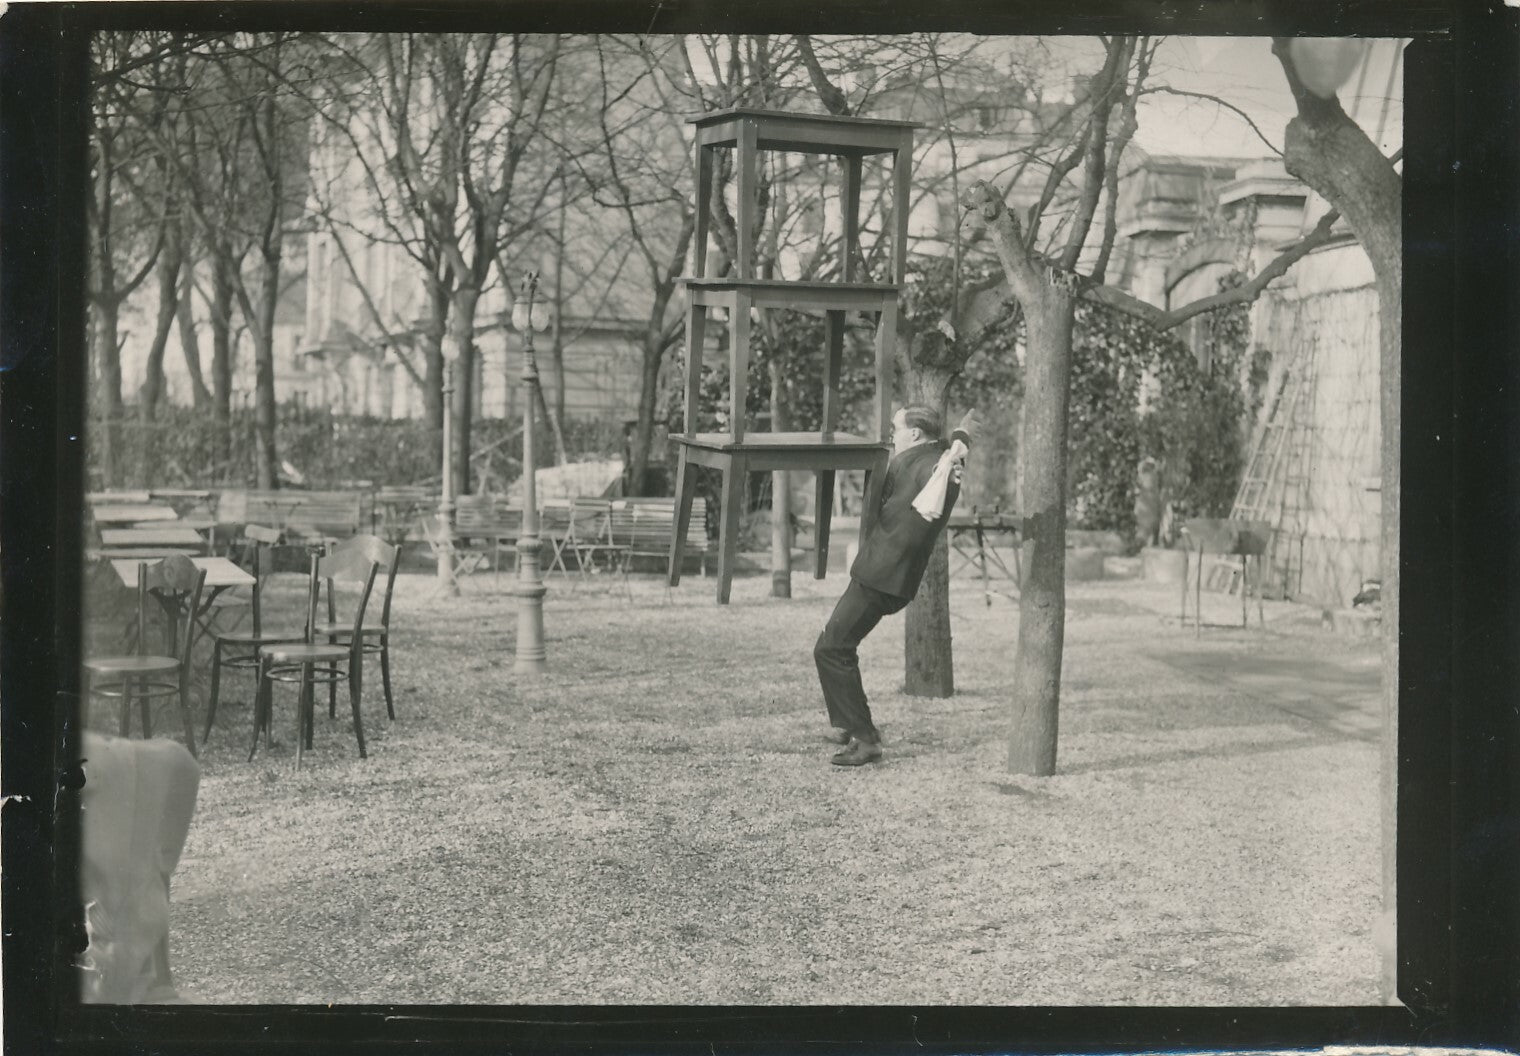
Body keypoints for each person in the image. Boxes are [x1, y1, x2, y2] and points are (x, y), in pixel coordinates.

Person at [813, 404, 978, 766]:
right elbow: (952, 449)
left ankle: (866, 739)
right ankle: (846, 722)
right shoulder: (934, 455)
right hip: (882, 573)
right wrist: (961, 435)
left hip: (883, 576)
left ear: (915, 434)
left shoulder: (934, 467)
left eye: (896, 428)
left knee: (831, 648)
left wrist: (952, 459)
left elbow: (941, 471)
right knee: (836, 645)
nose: (891, 433)